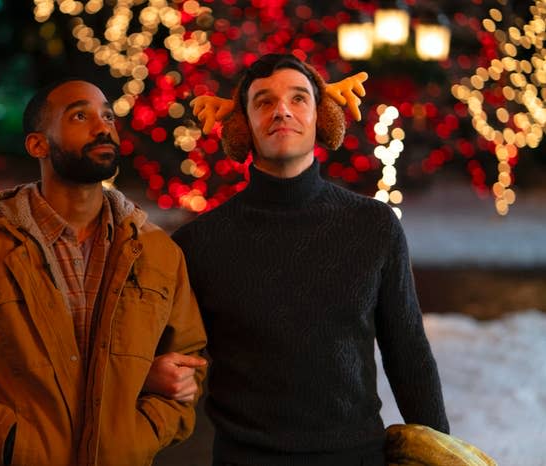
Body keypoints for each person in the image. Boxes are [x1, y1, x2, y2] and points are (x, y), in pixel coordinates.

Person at [147, 53, 450, 465]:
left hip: (356, 457)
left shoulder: (373, 226)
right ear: (244, 125)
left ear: (320, 116)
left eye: (298, 98)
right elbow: (162, 350)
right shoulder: (198, 243)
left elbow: (408, 351)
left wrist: (441, 454)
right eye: (263, 102)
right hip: (246, 459)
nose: (282, 111)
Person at [0, 78, 208, 466]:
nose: (103, 126)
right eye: (80, 115)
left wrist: (138, 436)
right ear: (38, 144)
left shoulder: (158, 252)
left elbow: (187, 366)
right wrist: (8, 441)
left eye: (107, 115)